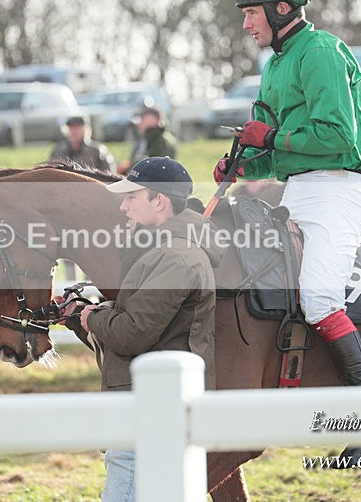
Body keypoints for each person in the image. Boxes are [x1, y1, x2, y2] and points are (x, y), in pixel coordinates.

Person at [216, 0, 361, 463]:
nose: (246, 23)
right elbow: (276, 152)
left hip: (337, 191)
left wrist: (266, 140)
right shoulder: (274, 66)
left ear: (281, 9)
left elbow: (337, 139)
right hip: (294, 192)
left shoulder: (323, 52)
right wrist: (243, 160)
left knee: (316, 296)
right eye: (245, 13)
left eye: (251, 12)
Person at [62, 156, 220, 501]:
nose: (123, 206)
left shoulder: (174, 258)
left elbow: (133, 332)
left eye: (131, 197)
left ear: (158, 201)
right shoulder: (162, 251)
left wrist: (91, 317)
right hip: (150, 401)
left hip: (148, 406)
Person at [118, 107, 177, 175]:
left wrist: (133, 168)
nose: (140, 122)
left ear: (154, 120)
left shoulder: (164, 140)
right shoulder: (145, 138)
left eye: (143, 118)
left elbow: (160, 167)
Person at [48, 116, 116, 171]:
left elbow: (109, 175)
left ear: (86, 130)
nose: (74, 131)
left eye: (78, 128)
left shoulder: (98, 150)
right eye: (71, 128)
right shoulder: (58, 151)